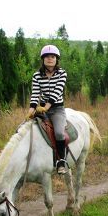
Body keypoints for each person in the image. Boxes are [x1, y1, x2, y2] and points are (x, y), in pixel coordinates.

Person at [27, 44, 69, 175]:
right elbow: (35, 94)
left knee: (59, 133)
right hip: (42, 109)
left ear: (57, 59)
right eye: (47, 57)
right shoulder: (36, 76)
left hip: (57, 109)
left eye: (52, 57)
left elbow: (57, 92)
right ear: (43, 59)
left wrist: (45, 107)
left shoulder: (62, 73)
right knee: (27, 129)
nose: (50, 59)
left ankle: (61, 161)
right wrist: (31, 110)